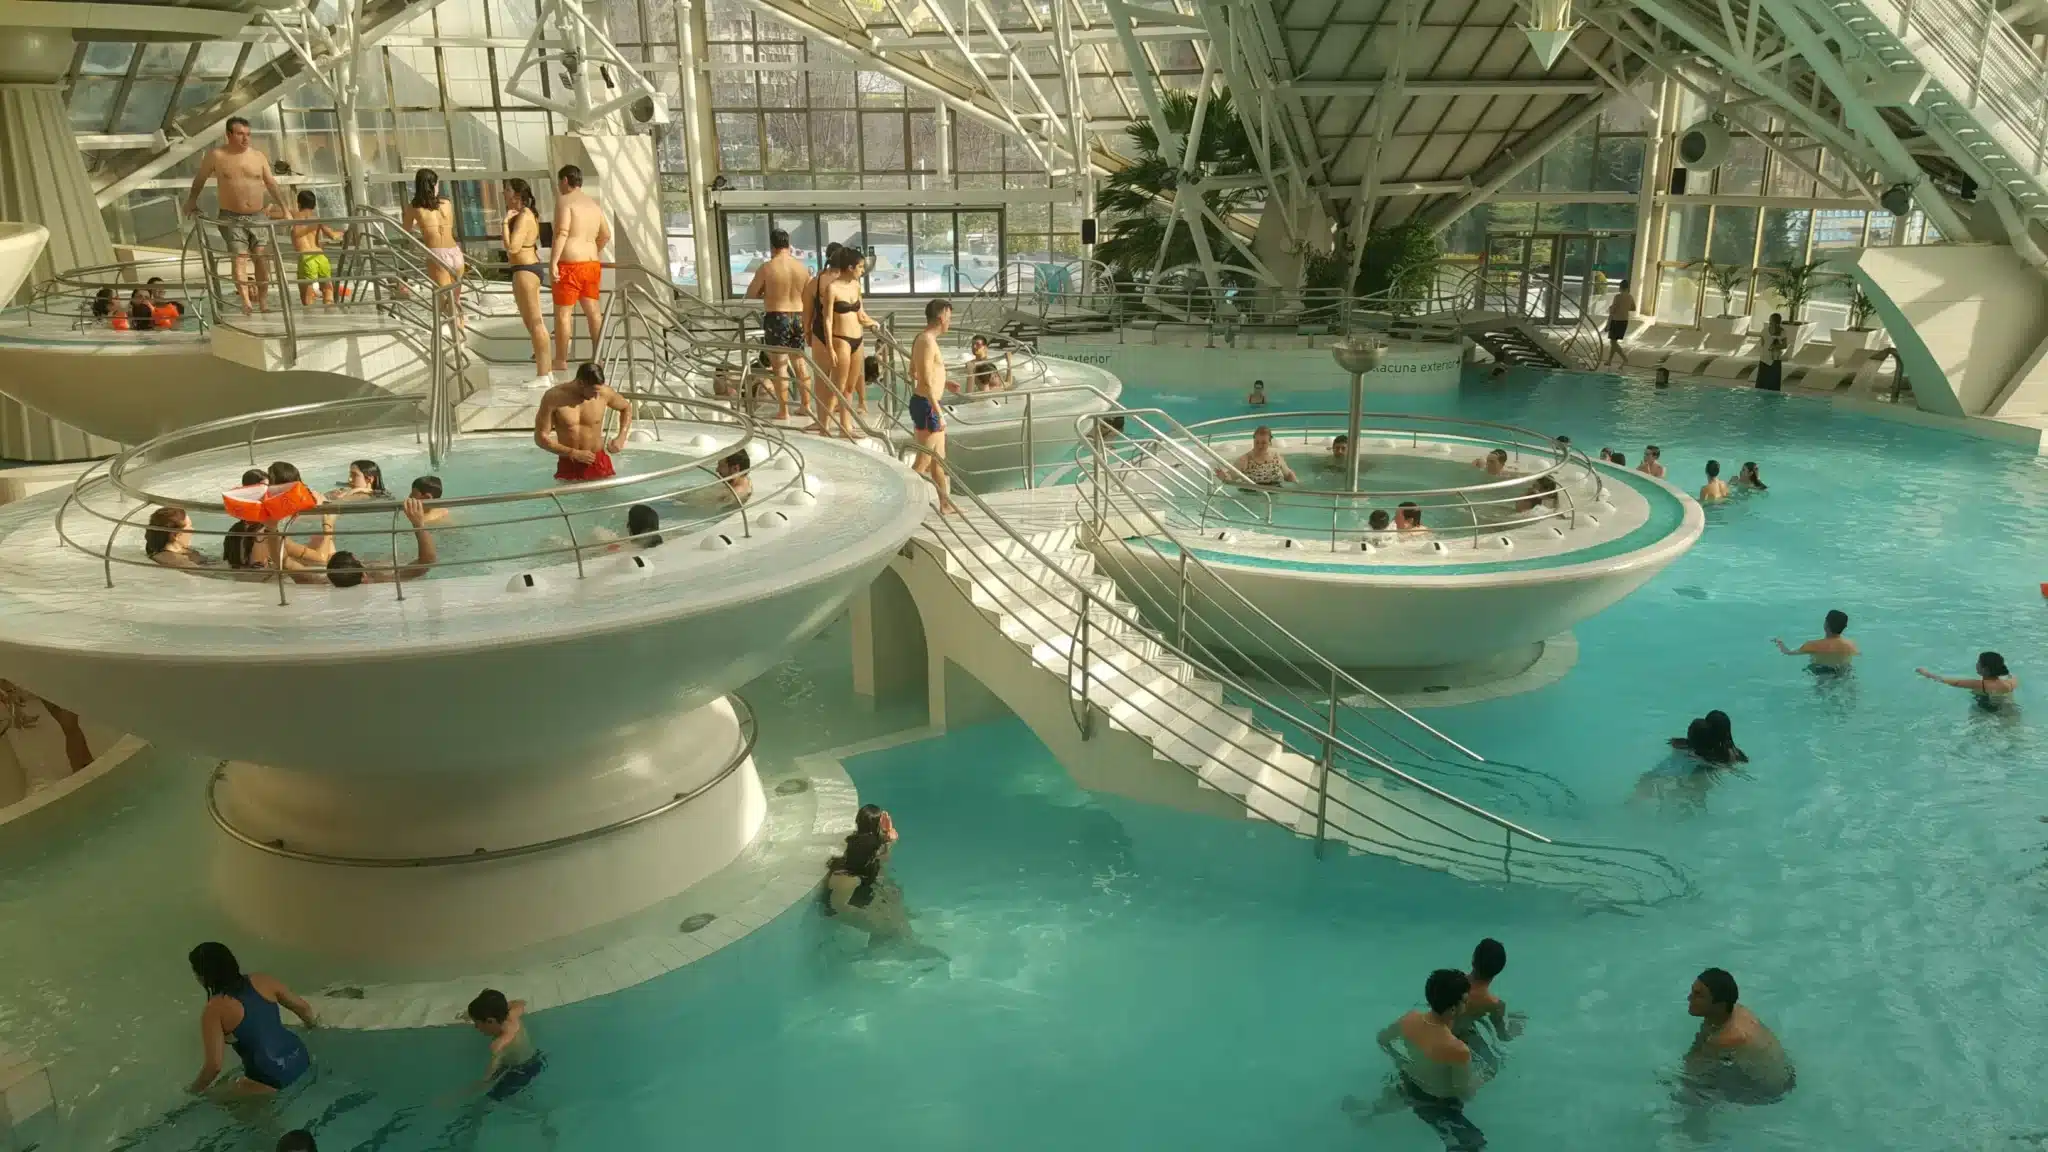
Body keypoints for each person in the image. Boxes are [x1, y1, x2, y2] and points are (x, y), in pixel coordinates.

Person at [1345, 969, 1486, 1151]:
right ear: (1453, 1008)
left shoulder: (1409, 1019)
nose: (1466, 1005)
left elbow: (1382, 1040)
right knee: (1475, 1144)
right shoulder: (1457, 1049)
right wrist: (1480, 1079)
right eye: (1465, 1001)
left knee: (1394, 1101)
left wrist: (1399, 1059)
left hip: (1408, 1083)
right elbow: (1463, 1093)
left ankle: (1363, 1112)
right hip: (1436, 1102)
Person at [182, 116, 289, 313]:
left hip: (257, 215)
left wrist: (285, 209)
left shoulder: (258, 156)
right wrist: (191, 201)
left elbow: (271, 184)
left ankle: (263, 302)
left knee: (260, 258)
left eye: (248, 134)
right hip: (231, 217)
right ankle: (246, 302)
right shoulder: (217, 156)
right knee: (239, 257)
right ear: (229, 135)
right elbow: (200, 179)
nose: (245, 138)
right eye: (240, 134)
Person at [186, 941, 315, 1096]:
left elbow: (214, 1066)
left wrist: (192, 1091)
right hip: (300, 1057)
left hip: (270, 1078)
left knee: (210, 1098)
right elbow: (304, 1008)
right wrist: (311, 1026)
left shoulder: (214, 1010)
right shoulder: (263, 980)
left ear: (204, 976)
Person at [1680, 968, 1794, 1107]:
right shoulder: (1734, 1009)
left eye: (1698, 995)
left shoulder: (1727, 1038)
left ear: (1719, 1004)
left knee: (1696, 1090)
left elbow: (1695, 1071)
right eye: (1692, 991)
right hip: (1785, 1074)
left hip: (1770, 1091)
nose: (1689, 998)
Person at [744, 228, 813, 420]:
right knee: (800, 364)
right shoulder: (802, 268)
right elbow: (809, 295)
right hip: (798, 316)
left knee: (779, 367)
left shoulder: (767, 267)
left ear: (772, 246)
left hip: (777, 317)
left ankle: (784, 411)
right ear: (789, 245)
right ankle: (806, 406)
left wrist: (767, 292)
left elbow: (751, 294)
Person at [549, 164, 611, 373]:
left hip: (570, 264)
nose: (559, 186)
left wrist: (553, 262)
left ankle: (560, 360)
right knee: (594, 313)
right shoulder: (593, 205)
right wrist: (594, 250)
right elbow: (606, 235)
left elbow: (562, 233)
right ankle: (598, 356)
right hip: (591, 263)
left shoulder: (565, 201)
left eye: (559, 182)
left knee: (564, 314)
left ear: (565, 180)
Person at [805, 245, 870, 438]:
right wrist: (830, 346)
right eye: (860, 267)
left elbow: (861, 313)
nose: (863, 271)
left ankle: (845, 426)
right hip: (839, 339)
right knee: (836, 387)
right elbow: (826, 319)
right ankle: (825, 426)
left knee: (850, 386)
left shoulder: (856, 286)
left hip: (857, 338)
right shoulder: (830, 287)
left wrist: (872, 322)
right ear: (849, 267)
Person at [534, 362, 631, 481]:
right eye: (593, 391)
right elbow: (540, 438)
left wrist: (621, 437)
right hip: (569, 462)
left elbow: (626, 408)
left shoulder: (604, 393)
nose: (596, 397)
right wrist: (572, 453)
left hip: (598, 460)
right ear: (580, 383)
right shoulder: (554, 397)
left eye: (598, 392)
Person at [909, 298, 962, 514]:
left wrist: (945, 383)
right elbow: (925, 380)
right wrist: (939, 412)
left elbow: (914, 372)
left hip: (927, 402)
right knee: (923, 461)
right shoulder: (927, 341)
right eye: (949, 317)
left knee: (938, 461)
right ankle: (904, 505)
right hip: (928, 405)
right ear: (941, 318)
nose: (950, 321)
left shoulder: (924, 339)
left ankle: (945, 504)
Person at [403, 168, 464, 337]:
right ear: (433, 185)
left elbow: (406, 231)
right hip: (455, 253)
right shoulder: (447, 203)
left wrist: (420, 229)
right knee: (455, 300)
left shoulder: (414, 208)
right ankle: (457, 334)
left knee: (445, 302)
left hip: (437, 255)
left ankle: (458, 340)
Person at [502, 178, 552, 386]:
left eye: (506, 190)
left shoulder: (523, 216)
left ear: (516, 195)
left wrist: (504, 223)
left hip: (525, 270)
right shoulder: (526, 215)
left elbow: (512, 248)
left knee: (535, 322)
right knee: (532, 323)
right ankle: (545, 371)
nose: (503, 193)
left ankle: (543, 374)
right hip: (524, 268)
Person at [325, 498, 438, 587]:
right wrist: (418, 524)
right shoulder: (385, 577)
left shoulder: (336, 577)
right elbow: (427, 561)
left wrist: (329, 524)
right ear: (364, 577)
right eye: (358, 561)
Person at [463, 990, 546, 1102]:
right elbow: (521, 1003)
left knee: (487, 1100)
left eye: (477, 1023)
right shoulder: (513, 1016)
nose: (476, 1028)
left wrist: (469, 1090)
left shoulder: (498, 1045)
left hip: (519, 1073)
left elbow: (490, 1076)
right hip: (536, 1060)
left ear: (490, 1021)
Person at [1458, 938, 1516, 1076]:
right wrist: (1514, 1029)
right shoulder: (1493, 1004)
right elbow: (1502, 1036)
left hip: (1438, 1029)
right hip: (1462, 1038)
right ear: (1499, 970)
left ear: (1473, 960)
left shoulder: (1453, 980)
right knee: (1494, 1066)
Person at [289, 190, 340, 308]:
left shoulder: (296, 216)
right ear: (314, 205)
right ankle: (330, 312)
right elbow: (333, 235)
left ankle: (309, 316)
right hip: (320, 256)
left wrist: (268, 208)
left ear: (299, 203)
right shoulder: (317, 219)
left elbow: (296, 232)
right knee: (327, 287)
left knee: (306, 293)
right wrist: (343, 233)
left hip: (306, 256)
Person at [1918, 652, 2018, 711]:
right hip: (2010, 711)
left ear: (1985, 669)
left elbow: (1948, 681)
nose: (1976, 664)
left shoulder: (1978, 684)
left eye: (1979, 663)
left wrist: (1927, 674)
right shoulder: (2010, 683)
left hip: (1987, 712)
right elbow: (2012, 676)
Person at [1774, 609, 1857, 673]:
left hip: (1822, 671)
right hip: (1844, 671)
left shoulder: (1812, 645)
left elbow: (1788, 653)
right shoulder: (1851, 645)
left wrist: (1779, 643)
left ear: (1826, 624)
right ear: (1844, 627)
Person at [1222, 425, 1295, 486]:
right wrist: (1224, 477)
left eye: (1263, 443)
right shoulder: (1245, 459)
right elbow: (1231, 477)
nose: (1260, 446)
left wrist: (1297, 484)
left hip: (1275, 493)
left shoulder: (1276, 456)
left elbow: (1288, 474)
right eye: (1257, 442)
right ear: (1253, 441)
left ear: (1269, 443)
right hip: (1252, 495)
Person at [145, 507, 211, 569]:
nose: (193, 530)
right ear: (175, 535)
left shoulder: (178, 550)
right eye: (190, 527)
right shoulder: (173, 560)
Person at [1603, 280, 1634, 368]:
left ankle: (1625, 359)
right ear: (1627, 288)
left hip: (1616, 320)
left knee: (1613, 342)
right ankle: (1609, 361)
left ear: (1620, 287)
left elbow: (1612, 311)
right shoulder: (1630, 297)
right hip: (1624, 321)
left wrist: (1608, 324)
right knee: (1614, 341)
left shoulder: (1617, 297)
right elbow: (1633, 308)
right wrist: (1624, 308)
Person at [1757, 314, 1788, 391]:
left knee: (1764, 383)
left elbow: (1762, 344)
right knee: (1772, 384)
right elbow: (1784, 345)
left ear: (1772, 321)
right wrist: (1775, 347)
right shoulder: (1781, 331)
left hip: (1769, 358)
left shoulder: (1766, 331)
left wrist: (1774, 347)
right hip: (1771, 358)